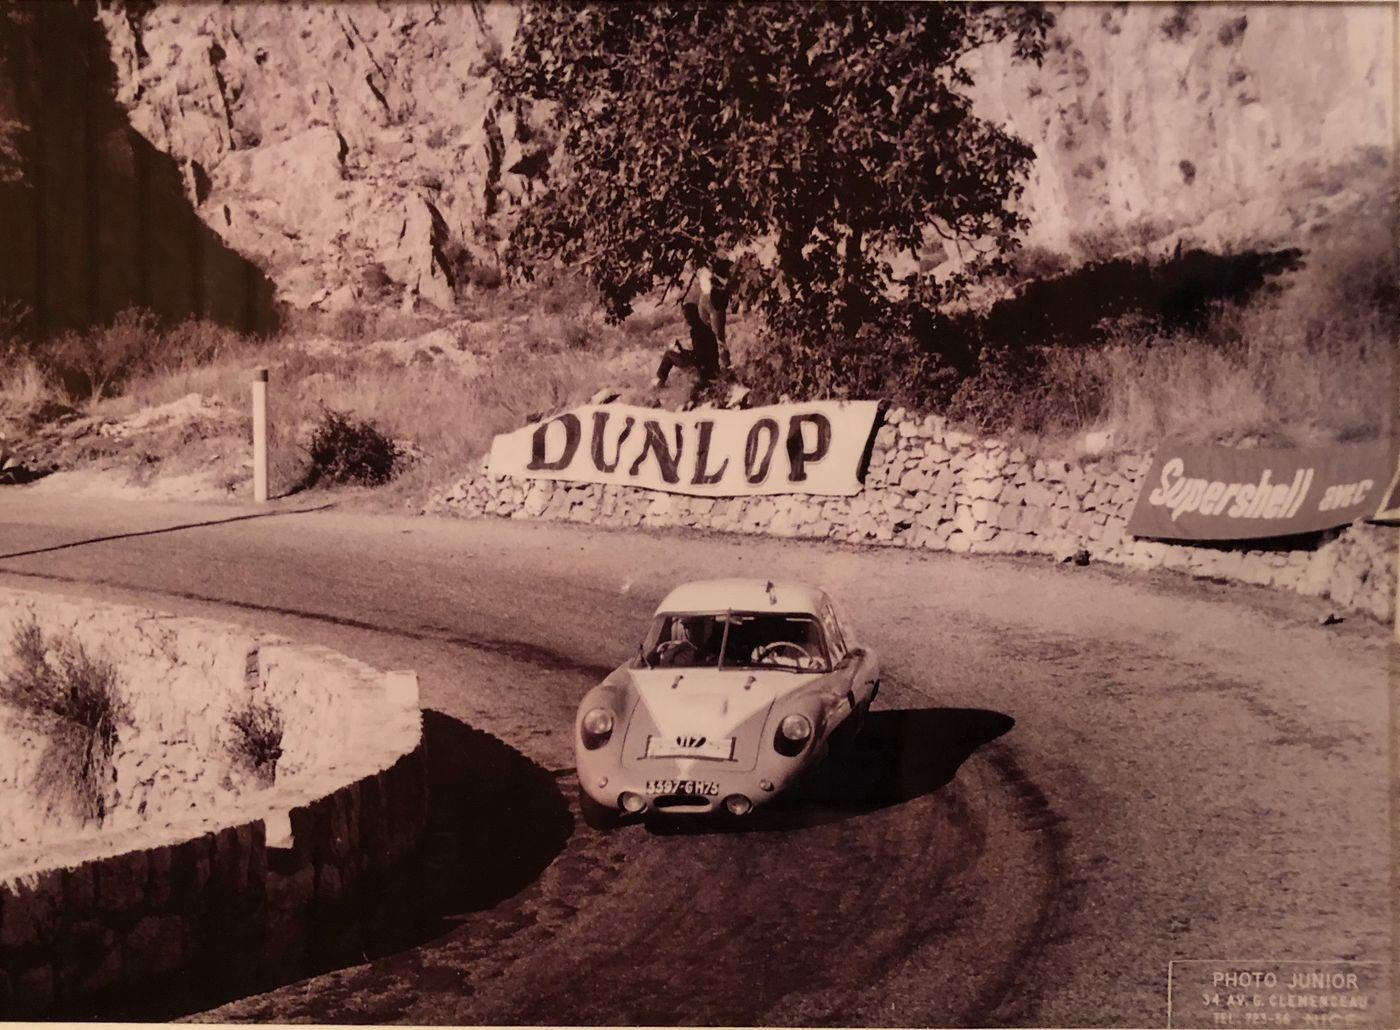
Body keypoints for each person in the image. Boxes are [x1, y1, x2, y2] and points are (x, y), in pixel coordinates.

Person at [655, 257, 733, 386]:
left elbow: (727, 283)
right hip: (704, 297)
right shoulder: (702, 259)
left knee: (716, 336)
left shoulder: (720, 263)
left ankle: (724, 366)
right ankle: (713, 367)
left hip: (715, 299)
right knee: (701, 331)